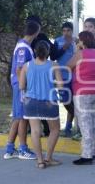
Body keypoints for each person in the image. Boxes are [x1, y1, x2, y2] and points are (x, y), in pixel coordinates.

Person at [19, 41, 63, 169]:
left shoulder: (26, 66)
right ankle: (48, 158)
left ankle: (40, 161)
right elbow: (60, 86)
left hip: (30, 102)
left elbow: (21, 86)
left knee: (35, 131)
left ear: (34, 52)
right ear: (48, 51)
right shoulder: (54, 65)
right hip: (49, 102)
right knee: (55, 129)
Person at [68, 31, 95, 165]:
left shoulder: (79, 54)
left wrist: (77, 51)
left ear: (82, 41)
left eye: (79, 40)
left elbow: (68, 66)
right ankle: (94, 152)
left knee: (85, 124)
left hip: (82, 91)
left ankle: (86, 156)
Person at [4, 21, 40, 160]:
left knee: (18, 118)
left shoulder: (23, 45)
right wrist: (23, 87)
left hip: (20, 85)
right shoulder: (23, 48)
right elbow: (19, 68)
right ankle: (23, 149)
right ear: (36, 32)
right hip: (21, 86)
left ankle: (9, 148)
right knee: (23, 118)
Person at [51, 22, 75, 137]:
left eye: (68, 31)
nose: (66, 33)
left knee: (73, 100)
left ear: (72, 31)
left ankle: (68, 127)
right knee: (65, 101)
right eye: (64, 31)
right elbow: (53, 56)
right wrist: (64, 48)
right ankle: (76, 114)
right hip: (62, 77)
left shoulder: (77, 41)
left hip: (75, 76)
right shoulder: (58, 41)